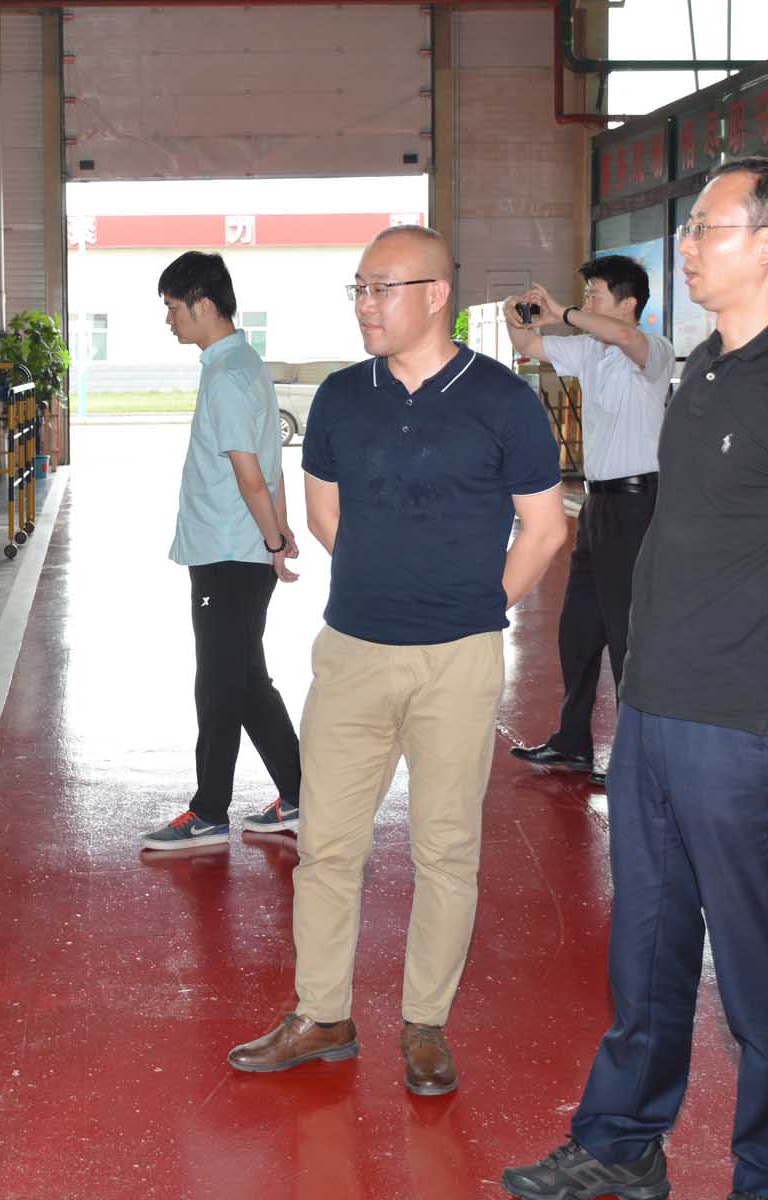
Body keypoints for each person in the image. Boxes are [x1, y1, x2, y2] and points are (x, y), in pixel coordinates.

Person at [504, 158, 768, 1200]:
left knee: (760, 973)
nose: (688, 245)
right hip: (658, 706)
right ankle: (624, 1143)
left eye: (707, 226)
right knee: (648, 945)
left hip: (740, 717)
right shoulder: (709, 365)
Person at [226, 225, 567, 1094]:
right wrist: (384, 587)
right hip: (352, 653)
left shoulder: (503, 400)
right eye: (359, 289)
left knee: (445, 849)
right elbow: (325, 516)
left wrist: (476, 609)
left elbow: (544, 529)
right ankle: (323, 1015)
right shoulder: (343, 397)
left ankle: (425, 1025)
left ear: (436, 294)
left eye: (383, 288)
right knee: (326, 844)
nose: (366, 305)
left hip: (458, 662)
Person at [140, 251, 304, 851]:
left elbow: (251, 474)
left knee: (218, 683)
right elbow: (269, 466)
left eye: (173, 308)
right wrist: (278, 534)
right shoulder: (242, 364)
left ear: (203, 304)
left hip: (230, 554)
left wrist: (273, 539)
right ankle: (301, 796)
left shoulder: (228, 376)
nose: (169, 320)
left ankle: (209, 812)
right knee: (245, 679)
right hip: (237, 549)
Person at [505, 257, 672, 788]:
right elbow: (528, 345)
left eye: (596, 294)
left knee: (626, 631)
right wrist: (516, 316)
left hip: (637, 505)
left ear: (628, 303)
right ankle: (573, 741)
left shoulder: (652, 350)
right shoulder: (590, 350)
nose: (587, 302)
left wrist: (564, 313)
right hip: (598, 506)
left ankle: (636, 756)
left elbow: (624, 337)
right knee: (578, 629)